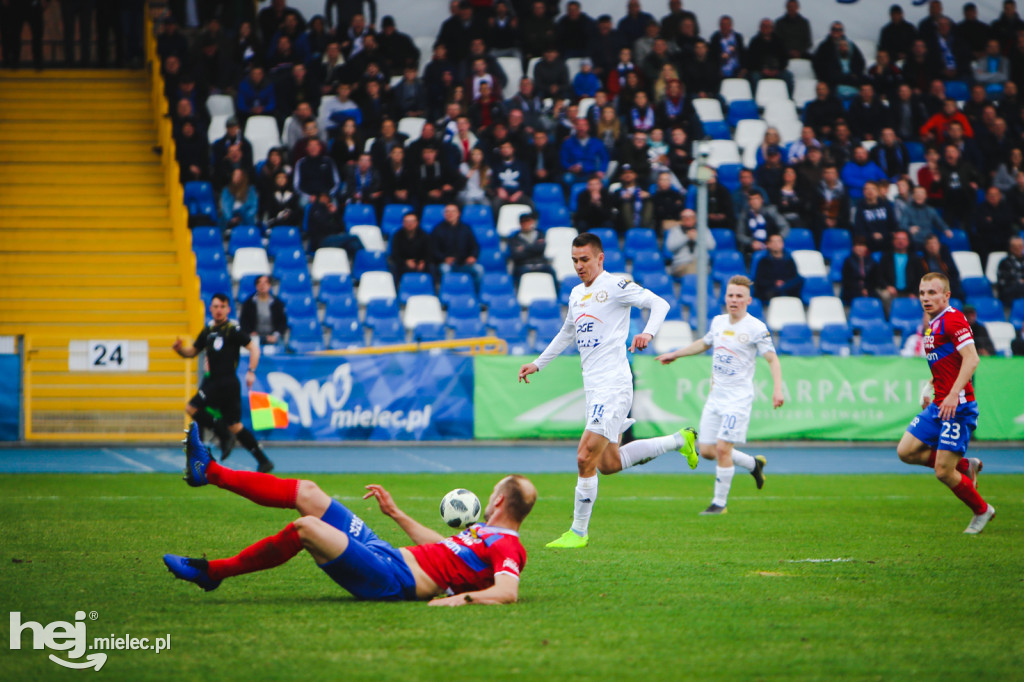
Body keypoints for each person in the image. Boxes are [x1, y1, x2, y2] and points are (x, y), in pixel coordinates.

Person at [165, 424, 535, 604]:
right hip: (386, 553)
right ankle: (209, 472)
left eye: (492, 493)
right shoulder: (484, 534)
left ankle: (212, 572)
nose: (488, 499)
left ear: (500, 502)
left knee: (307, 528)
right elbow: (445, 549)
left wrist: (453, 601)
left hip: (393, 579)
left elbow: (507, 591)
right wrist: (396, 514)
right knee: (308, 493)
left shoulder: (508, 547)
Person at [518, 233, 698, 548]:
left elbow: (660, 302)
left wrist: (647, 332)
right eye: (574, 260)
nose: (579, 266)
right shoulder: (576, 294)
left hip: (613, 385)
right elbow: (565, 334)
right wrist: (538, 364)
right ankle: (679, 440)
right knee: (608, 464)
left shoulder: (615, 286)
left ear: (600, 258)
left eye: (584, 259)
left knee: (584, 455)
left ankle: (578, 532)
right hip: (595, 387)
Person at [657, 275, 784, 515]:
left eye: (739, 296)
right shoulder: (718, 322)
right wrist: (676, 354)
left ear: (748, 300)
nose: (733, 300)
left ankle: (719, 504)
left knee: (724, 449)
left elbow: (772, 359)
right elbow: (703, 344)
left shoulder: (756, 328)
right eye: (730, 295)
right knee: (706, 451)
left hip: (738, 399)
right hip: (716, 397)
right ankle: (753, 464)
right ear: (725, 297)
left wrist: (777, 389)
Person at [895, 273, 993, 534]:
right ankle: (965, 466)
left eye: (932, 293)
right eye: (922, 293)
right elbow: (947, 362)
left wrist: (951, 394)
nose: (926, 298)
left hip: (958, 407)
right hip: (940, 404)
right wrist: (931, 385)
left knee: (942, 472)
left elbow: (971, 360)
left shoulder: (953, 319)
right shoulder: (933, 323)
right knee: (906, 451)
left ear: (946, 295)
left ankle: (982, 510)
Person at [172, 294, 274, 472]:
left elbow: (253, 348)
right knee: (192, 408)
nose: (219, 310)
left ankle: (263, 461)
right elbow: (192, 352)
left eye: (222, 307)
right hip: (212, 382)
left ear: (227, 309)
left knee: (235, 426)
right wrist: (180, 350)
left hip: (228, 383)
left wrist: (251, 371)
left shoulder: (232, 329)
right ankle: (222, 432)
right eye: (215, 307)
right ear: (210, 309)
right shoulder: (208, 331)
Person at [239, 275, 288, 349]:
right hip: (255, 337)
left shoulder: (277, 303)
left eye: (265, 283)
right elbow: (243, 321)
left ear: (269, 285)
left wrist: (275, 335)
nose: (262, 286)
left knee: (280, 347)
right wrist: (251, 332)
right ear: (256, 286)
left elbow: (283, 323)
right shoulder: (248, 303)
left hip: (273, 337)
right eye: (259, 283)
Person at [753, 233, 802, 303]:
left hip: (787, 287)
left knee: (800, 279)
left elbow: (794, 276)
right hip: (771, 288)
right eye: (773, 242)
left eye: (779, 241)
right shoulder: (763, 261)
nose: (776, 244)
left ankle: (781, 290)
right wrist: (774, 283)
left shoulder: (789, 260)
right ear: (768, 244)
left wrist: (784, 283)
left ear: (783, 244)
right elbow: (760, 280)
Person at [509, 212, 556, 285]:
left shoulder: (540, 233)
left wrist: (524, 248)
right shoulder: (514, 238)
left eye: (527, 221)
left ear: (532, 222)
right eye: (523, 222)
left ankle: (556, 292)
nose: (526, 224)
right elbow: (516, 255)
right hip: (523, 265)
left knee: (551, 271)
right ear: (520, 224)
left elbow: (541, 249)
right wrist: (534, 248)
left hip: (540, 264)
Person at [665, 208, 713, 277]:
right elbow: (670, 247)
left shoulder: (703, 229)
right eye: (685, 217)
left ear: (695, 218)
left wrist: (697, 238)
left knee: (699, 269)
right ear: (681, 219)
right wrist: (686, 238)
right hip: (681, 265)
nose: (687, 219)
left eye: (690, 217)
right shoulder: (675, 230)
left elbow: (711, 246)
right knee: (694, 271)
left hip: (701, 265)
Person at [996, 235, 1024, 304]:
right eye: (1015, 247)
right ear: (1011, 248)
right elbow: (1003, 283)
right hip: (1011, 291)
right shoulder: (1004, 263)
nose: (1018, 248)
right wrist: (1019, 282)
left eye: (1020, 246)